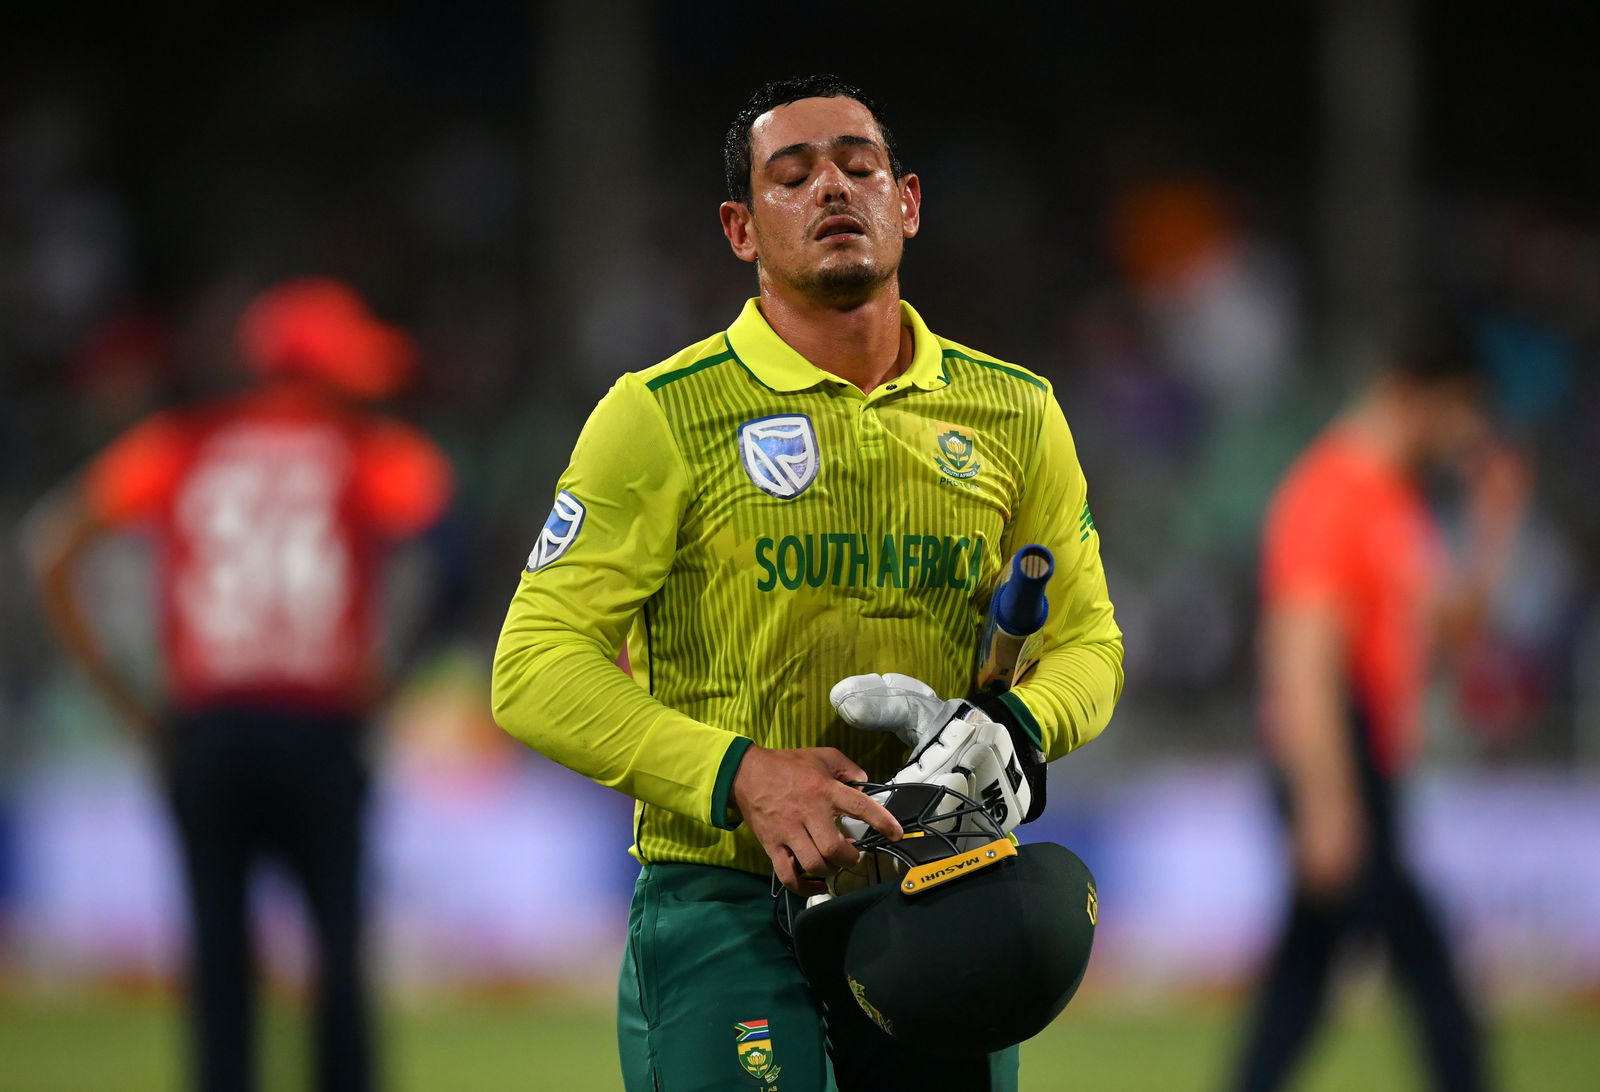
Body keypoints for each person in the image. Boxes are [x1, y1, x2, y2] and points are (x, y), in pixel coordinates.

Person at [492, 75, 1123, 1092]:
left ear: (905, 205)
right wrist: (743, 773)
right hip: (724, 900)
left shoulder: (1017, 413)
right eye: (792, 177)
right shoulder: (658, 415)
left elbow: (1089, 645)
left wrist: (1018, 727)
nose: (832, 187)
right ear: (740, 230)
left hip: (938, 888)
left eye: (858, 167)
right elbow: (531, 667)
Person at [31, 277, 454, 1092]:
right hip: (320, 723)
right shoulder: (368, 450)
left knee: (219, 956)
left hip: (209, 726)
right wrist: (394, 673)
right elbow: (448, 541)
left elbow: (53, 548)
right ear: (323, 371)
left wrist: (126, 697)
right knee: (338, 954)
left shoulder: (178, 444)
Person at [1230, 317, 1527, 1091]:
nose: (1466, 436)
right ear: (1420, 395)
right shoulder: (1332, 492)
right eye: (1462, 410)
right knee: (1424, 962)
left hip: (1367, 760)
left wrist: (1494, 530)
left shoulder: (1398, 503)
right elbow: (1302, 655)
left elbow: (1443, 636)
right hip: (1337, 754)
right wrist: (1326, 801)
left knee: (1307, 973)